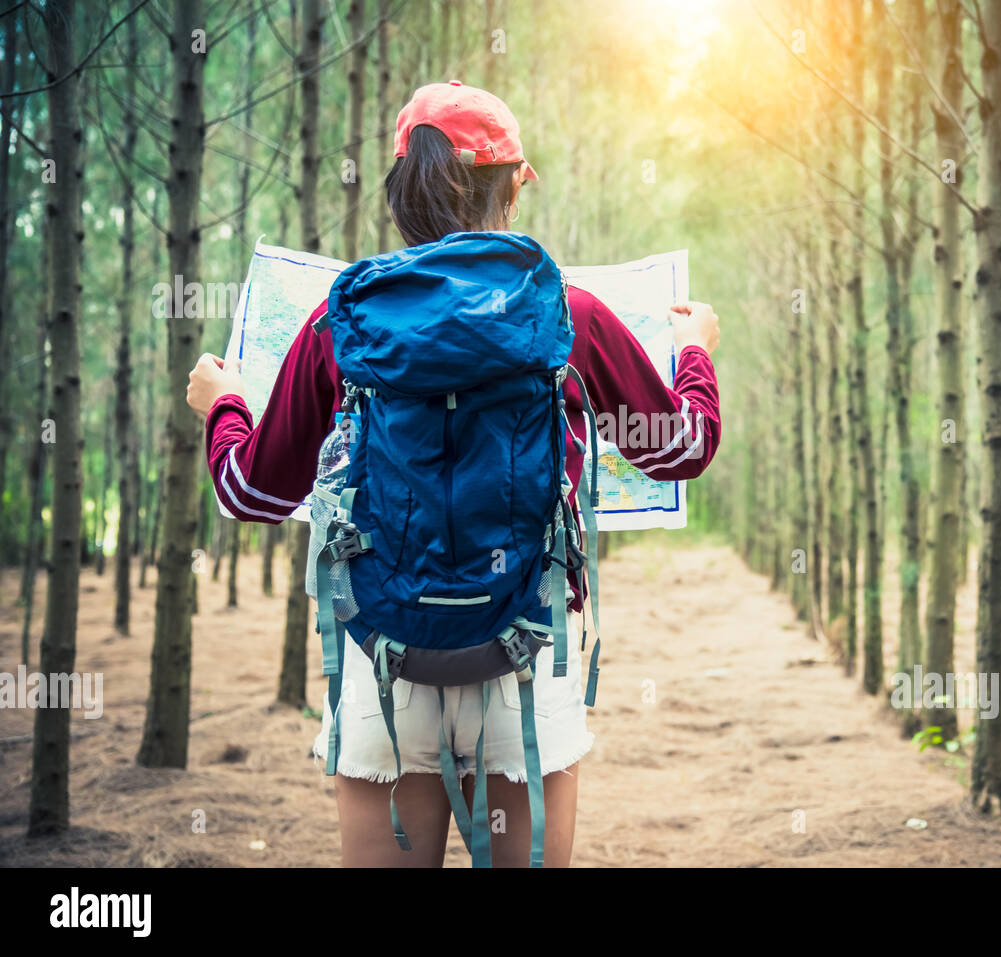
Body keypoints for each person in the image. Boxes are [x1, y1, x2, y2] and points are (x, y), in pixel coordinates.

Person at [185, 81, 722, 867]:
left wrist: (225, 405)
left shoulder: (343, 319)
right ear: (511, 187)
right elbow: (680, 448)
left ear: (402, 192)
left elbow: (251, 489)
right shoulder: (568, 312)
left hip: (384, 660)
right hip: (528, 659)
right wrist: (696, 350)